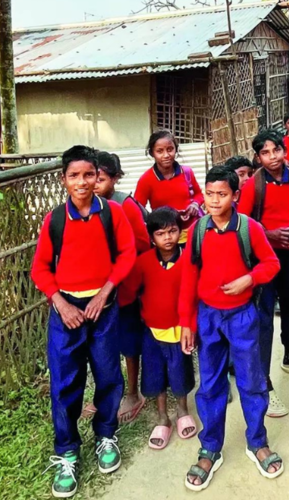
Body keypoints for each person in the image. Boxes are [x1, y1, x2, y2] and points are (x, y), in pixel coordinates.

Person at [30, 146, 139, 498]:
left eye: (89, 175)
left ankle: (106, 435)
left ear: (98, 177)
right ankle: (67, 452)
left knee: (108, 374)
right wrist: (61, 303)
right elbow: (40, 269)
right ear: (64, 180)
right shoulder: (55, 220)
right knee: (65, 383)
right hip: (67, 315)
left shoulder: (113, 214)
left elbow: (127, 255)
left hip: (102, 310)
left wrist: (104, 293)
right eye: (74, 176)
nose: (82, 182)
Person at [178, 166, 284, 491]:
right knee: (210, 385)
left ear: (235, 195)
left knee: (252, 380)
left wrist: (249, 279)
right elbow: (188, 278)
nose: (213, 200)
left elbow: (272, 263)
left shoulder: (248, 228)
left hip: (241, 316)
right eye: (209, 194)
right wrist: (186, 322)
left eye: (221, 194)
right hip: (208, 317)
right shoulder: (198, 230)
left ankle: (257, 441)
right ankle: (210, 447)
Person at [238, 130, 289, 404]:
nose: (272, 157)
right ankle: (264, 382)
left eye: (276, 151)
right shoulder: (253, 186)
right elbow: (244, 221)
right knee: (264, 319)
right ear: (258, 157)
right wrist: (269, 235)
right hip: (263, 259)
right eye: (265, 153)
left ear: (285, 151)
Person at [119, 207, 197, 451]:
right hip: (151, 331)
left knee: (180, 371)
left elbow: (196, 295)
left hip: (179, 330)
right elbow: (129, 292)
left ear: (180, 232)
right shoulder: (142, 263)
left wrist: (191, 325)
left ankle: (182, 410)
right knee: (155, 374)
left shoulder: (189, 260)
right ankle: (162, 417)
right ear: (151, 237)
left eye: (173, 231)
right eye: (161, 233)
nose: (167, 238)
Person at [91, 151, 151, 426]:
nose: (94, 184)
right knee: (102, 342)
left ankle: (132, 392)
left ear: (115, 179)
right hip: (96, 287)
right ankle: (105, 393)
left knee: (128, 342)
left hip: (125, 285)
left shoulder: (124, 205)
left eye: (100, 179)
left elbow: (141, 244)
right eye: (92, 177)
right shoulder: (86, 205)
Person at [134, 130, 205, 244]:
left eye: (170, 149)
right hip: (166, 237)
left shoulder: (187, 172)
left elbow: (199, 194)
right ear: (152, 153)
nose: (166, 155)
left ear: (175, 149)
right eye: (160, 151)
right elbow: (136, 210)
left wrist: (195, 205)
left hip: (193, 232)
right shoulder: (146, 180)